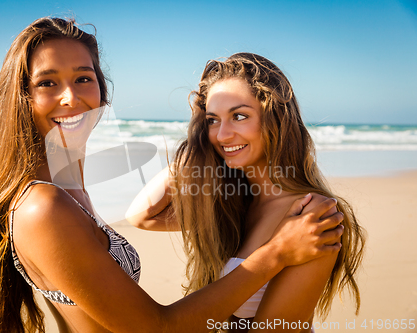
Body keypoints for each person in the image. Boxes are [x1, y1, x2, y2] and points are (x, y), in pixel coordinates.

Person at [0, 19, 345, 333]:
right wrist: (276, 254)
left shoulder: (67, 188)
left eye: (84, 77)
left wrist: (206, 154)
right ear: (22, 97)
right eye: (48, 82)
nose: (71, 96)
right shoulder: (43, 206)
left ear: (101, 88)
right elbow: (156, 326)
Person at [127, 53, 365, 332]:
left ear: (275, 119)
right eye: (213, 120)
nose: (223, 135)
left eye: (239, 116)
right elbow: (142, 215)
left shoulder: (312, 213)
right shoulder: (231, 204)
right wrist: (197, 146)